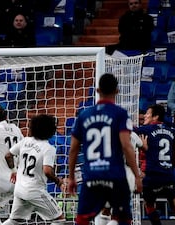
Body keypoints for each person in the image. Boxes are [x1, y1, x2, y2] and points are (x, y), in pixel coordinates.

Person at [68, 73, 142, 225]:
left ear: (97, 90)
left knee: (82, 219)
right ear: (117, 91)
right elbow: (127, 146)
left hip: (92, 176)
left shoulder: (84, 115)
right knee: (123, 219)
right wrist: (137, 175)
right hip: (115, 176)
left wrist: (71, 177)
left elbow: (74, 149)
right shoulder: (120, 114)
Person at [2, 114, 65, 225]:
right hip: (35, 191)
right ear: (50, 130)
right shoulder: (48, 148)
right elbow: (47, 171)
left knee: (15, 221)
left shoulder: (25, 141)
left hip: (20, 189)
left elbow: (8, 155)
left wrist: (14, 171)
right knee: (59, 220)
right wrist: (58, 181)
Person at [135, 104, 175, 225]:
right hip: (168, 174)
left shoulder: (146, 130)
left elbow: (130, 131)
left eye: (147, 113)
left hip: (153, 174)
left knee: (150, 205)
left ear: (155, 117)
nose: (145, 116)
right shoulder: (171, 130)